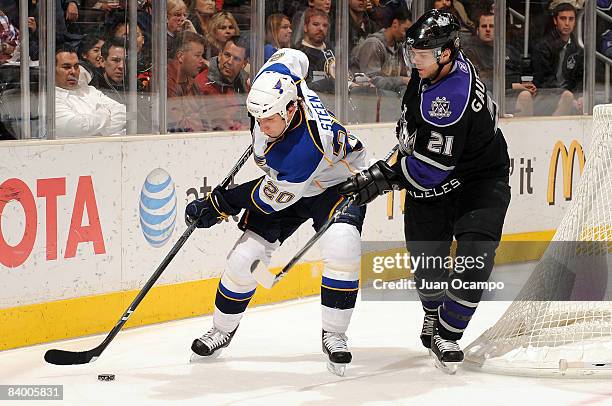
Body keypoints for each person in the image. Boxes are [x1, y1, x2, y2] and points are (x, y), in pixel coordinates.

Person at [338, 9, 511, 374]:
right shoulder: (433, 69)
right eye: (412, 53)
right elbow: (415, 137)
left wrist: (381, 179)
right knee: (426, 255)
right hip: (438, 167)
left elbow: (430, 171)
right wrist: (390, 163)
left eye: (420, 55)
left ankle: (448, 332)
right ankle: (432, 311)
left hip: (479, 178)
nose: (413, 62)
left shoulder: (449, 96)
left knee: (476, 252)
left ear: (446, 52)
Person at [184, 48, 368, 376]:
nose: (263, 126)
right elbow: (294, 55)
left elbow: (269, 198)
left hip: (336, 183)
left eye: (270, 119)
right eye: (258, 119)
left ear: (292, 108)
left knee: (343, 247)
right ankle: (222, 329)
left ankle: (335, 334)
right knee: (244, 260)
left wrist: (219, 204)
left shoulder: (304, 148)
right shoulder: (277, 82)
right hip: (287, 184)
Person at [55, 46, 126, 137]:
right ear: (52, 70)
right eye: (66, 67)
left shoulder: (90, 90)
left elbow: (123, 111)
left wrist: (97, 132)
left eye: (76, 66)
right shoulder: (52, 98)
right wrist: (104, 112)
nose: (73, 71)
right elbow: (79, 128)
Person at [532, 2, 584, 115]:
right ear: (555, 21)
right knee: (567, 97)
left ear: (575, 22)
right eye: (563, 19)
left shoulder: (578, 47)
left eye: (571, 19)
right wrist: (568, 97)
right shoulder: (543, 46)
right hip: (545, 96)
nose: (567, 23)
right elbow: (545, 81)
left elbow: (580, 77)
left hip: (569, 95)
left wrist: (579, 96)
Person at [195, 35, 250, 130]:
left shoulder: (246, 84)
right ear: (220, 55)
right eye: (227, 55)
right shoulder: (202, 84)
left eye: (236, 59)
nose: (229, 62)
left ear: (244, 64)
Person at [167, 31, 208, 132]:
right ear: (181, 56)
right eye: (197, 55)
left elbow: (205, 120)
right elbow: (179, 125)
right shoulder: (165, 82)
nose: (201, 60)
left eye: (202, 56)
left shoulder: (191, 81)